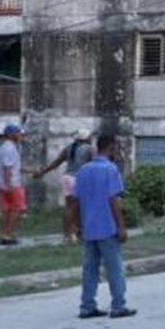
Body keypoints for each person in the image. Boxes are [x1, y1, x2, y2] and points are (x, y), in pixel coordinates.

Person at [69, 133, 135, 318]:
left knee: (90, 268)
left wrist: (76, 225)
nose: (117, 151)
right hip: (107, 226)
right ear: (111, 147)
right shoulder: (110, 169)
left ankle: (87, 305)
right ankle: (118, 305)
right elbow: (114, 200)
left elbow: (75, 201)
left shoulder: (83, 170)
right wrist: (121, 226)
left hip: (89, 228)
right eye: (116, 147)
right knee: (114, 268)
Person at [36, 130, 94, 243]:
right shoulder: (89, 148)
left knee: (69, 207)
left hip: (67, 178)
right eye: (90, 137)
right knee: (78, 207)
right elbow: (95, 163)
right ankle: (73, 232)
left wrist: (43, 172)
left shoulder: (69, 148)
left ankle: (69, 233)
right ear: (87, 138)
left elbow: (56, 162)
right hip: (78, 178)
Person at [0, 123, 25, 246]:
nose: (20, 135)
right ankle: (9, 234)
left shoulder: (3, 148)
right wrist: (9, 184)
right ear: (10, 134)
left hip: (2, 184)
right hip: (13, 184)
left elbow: (13, 167)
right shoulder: (10, 149)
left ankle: (3, 235)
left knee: (6, 211)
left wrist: (31, 170)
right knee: (19, 209)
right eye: (18, 133)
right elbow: (7, 168)